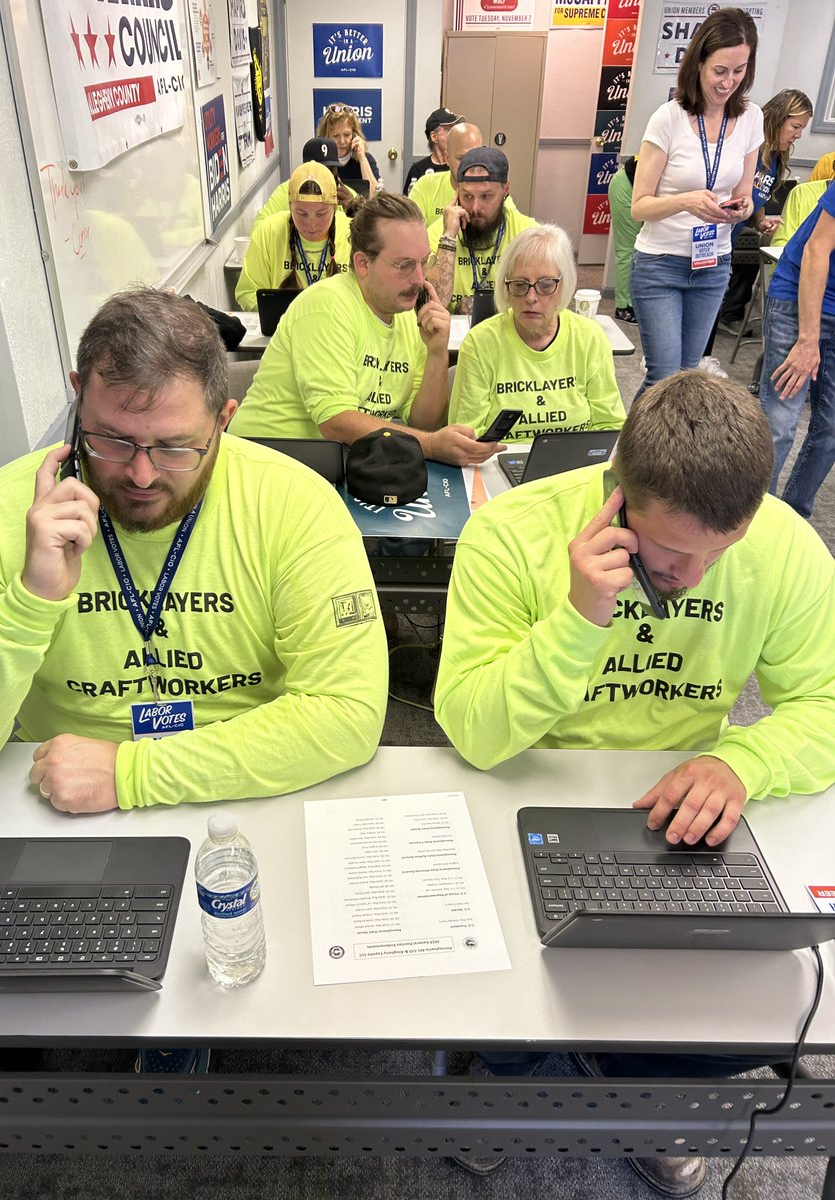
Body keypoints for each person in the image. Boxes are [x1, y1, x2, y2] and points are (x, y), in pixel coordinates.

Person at [434, 371, 835, 1195]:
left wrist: (742, 762)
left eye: (719, 551)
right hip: (520, 788)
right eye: (671, 549)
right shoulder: (511, 534)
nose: (694, 574)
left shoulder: (785, 543)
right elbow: (474, 731)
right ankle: (510, 1079)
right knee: (497, 980)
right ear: (616, 496)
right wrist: (578, 621)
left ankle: (641, 1095)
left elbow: (827, 705)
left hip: (674, 796)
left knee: (768, 999)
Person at [0, 288, 388, 811]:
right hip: (60, 791)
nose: (142, 475)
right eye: (112, 440)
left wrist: (132, 773)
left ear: (224, 419)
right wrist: (29, 602)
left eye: (175, 447)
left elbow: (348, 713)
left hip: (249, 788)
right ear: (78, 397)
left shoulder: (295, 504)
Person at [229, 194, 499, 468]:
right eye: (404, 265)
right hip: (261, 462)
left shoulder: (406, 315)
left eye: (423, 262)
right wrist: (429, 445)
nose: (419, 278)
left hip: (331, 465)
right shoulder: (328, 306)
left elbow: (422, 422)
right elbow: (337, 423)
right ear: (362, 263)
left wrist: (438, 353)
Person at [630, 7, 763, 396]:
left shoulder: (751, 118)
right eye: (720, 71)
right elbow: (640, 205)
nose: (728, 82)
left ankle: (667, 457)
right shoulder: (667, 118)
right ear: (699, 63)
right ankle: (629, 456)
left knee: (688, 380)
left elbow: (746, 196)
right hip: (660, 264)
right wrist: (685, 201)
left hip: (713, 263)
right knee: (663, 377)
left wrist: (743, 208)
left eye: (739, 71)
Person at [449, 224, 625, 439]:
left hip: (574, 465)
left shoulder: (590, 338)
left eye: (545, 284)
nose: (531, 297)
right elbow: (466, 435)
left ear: (565, 285)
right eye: (520, 284)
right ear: (506, 288)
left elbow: (610, 426)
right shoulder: (480, 343)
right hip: (497, 465)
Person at [759, 179, 835, 518]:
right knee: (780, 420)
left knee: (831, 426)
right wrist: (808, 339)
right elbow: (816, 250)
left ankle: (791, 517)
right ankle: (752, 515)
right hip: (798, 298)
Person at [715, 88, 813, 333]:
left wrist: (759, 220)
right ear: (778, 118)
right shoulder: (750, 148)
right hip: (715, 232)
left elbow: (756, 192)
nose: (798, 135)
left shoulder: (776, 156)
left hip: (732, 235)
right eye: (795, 127)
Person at [426, 147, 536, 314]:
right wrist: (448, 238)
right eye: (467, 196)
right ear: (457, 191)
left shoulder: (528, 234)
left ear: (505, 190)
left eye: (486, 196)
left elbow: (538, 302)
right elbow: (434, 304)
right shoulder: (438, 232)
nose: (475, 208)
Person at [234, 162, 352, 310]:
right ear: (290, 207)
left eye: (321, 214)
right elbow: (247, 293)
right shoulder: (268, 231)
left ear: (335, 207)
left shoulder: (352, 233)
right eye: (301, 213)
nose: (312, 224)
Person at [254, 137, 363, 225]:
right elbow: (259, 229)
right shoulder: (286, 190)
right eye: (318, 171)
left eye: (329, 170)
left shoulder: (346, 194)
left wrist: (355, 212)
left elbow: (369, 238)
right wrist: (297, 217)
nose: (324, 177)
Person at [408, 121, 487, 229]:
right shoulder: (425, 186)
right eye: (461, 159)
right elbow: (412, 238)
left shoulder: (493, 189)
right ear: (447, 158)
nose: (470, 166)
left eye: (476, 157)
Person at [315, 102, 380, 192]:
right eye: (335, 136)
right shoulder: (318, 162)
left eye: (347, 134)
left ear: (354, 135)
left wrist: (362, 158)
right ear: (326, 136)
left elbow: (374, 196)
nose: (342, 141)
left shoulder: (366, 159)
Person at [607, 155, 641, 323]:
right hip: (626, 186)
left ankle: (635, 302)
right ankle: (624, 307)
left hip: (639, 187)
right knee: (628, 250)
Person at [403, 106, 463, 194]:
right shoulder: (418, 169)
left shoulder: (459, 165)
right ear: (434, 137)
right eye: (448, 130)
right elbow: (408, 205)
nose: (454, 134)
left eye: (455, 129)